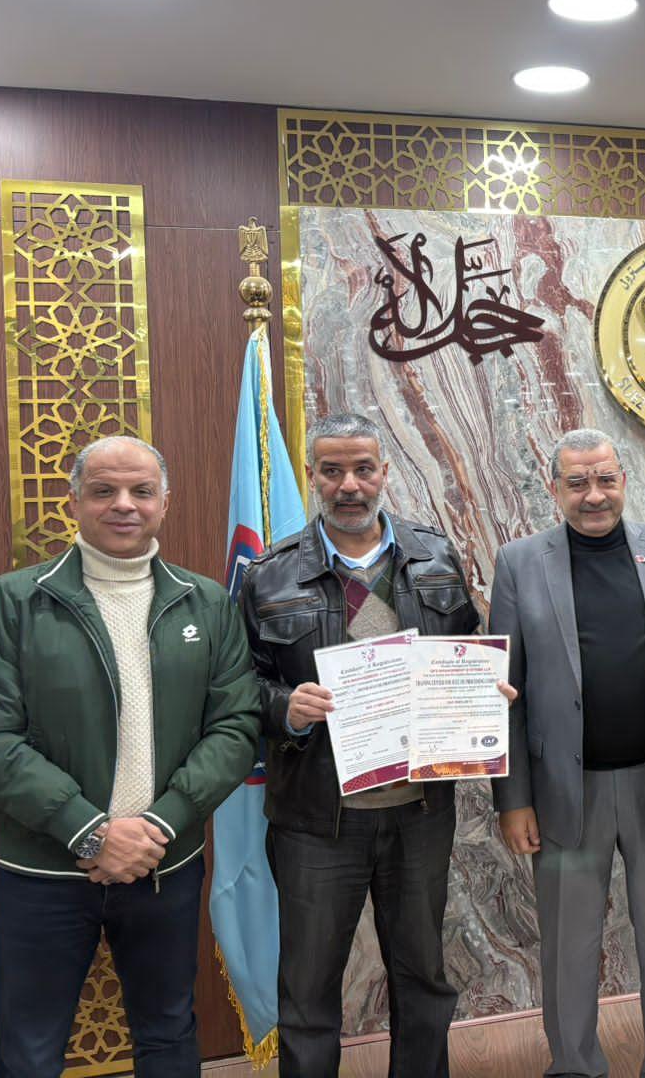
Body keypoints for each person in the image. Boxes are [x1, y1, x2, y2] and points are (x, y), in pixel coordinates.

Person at [0, 435, 259, 1077]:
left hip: (164, 864)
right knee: (30, 1051)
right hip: (42, 871)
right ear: (74, 503)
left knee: (169, 1036)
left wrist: (160, 824)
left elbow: (236, 726)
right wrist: (90, 832)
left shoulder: (205, 604)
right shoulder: (12, 602)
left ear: (165, 502)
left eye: (141, 491)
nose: (124, 504)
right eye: (103, 491)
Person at [241, 411, 511, 1077]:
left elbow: (464, 650)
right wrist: (284, 707)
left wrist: (485, 690)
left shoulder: (435, 557)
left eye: (363, 469)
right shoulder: (267, 576)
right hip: (315, 820)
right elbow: (236, 687)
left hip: (419, 814)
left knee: (423, 980)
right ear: (313, 476)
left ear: (384, 472)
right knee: (307, 991)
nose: (349, 485)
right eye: (333, 471)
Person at [491, 427, 645, 1078]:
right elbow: (503, 690)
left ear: (623, 480)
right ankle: (575, 1066)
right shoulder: (518, 563)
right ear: (554, 489)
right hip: (566, 791)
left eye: (605, 480)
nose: (593, 495)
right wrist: (513, 799)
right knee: (570, 946)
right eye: (577, 483)